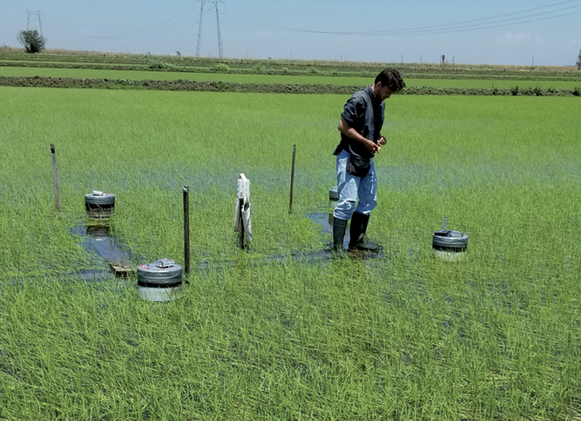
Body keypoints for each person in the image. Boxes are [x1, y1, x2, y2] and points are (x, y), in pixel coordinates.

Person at [332, 68, 405, 255]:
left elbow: (372, 130)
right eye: (388, 91)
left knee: (368, 200)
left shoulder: (380, 104)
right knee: (347, 202)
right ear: (379, 84)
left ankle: (357, 241)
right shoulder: (359, 99)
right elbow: (343, 126)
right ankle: (338, 247)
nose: (389, 96)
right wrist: (364, 141)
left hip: (366, 158)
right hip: (350, 155)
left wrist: (379, 139)